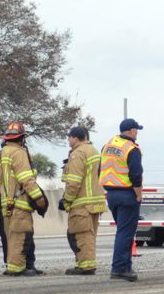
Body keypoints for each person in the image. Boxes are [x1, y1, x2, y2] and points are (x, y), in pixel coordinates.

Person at [0, 121, 48, 276]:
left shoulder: (1, 154)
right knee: (21, 236)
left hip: (6, 203)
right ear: (21, 139)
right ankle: (17, 268)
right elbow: (26, 179)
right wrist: (39, 198)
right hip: (19, 204)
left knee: (12, 238)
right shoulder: (18, 153)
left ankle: (15, 266)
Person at [101, 117, 144, 282]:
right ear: (132, 130)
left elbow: (101, 169)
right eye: (137, 130)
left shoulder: (108, 145)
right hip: (127, 194)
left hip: (111, 194)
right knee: (125, 233)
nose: (137, 133)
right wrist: (138, 194)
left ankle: (125, 266)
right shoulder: (131, 149)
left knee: (122, 231)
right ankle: (119, 268)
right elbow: (135, 175)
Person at [61, 126, 107, 275]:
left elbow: (73, 182)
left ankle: (86, 266)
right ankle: (88, 263)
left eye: (69, 138)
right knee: (89, 235)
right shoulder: (94, 151)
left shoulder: (78, 154)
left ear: (75, 138)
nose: (68, 141)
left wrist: (66, 200)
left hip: (82, 203)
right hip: (96, 203)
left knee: (82, 235)